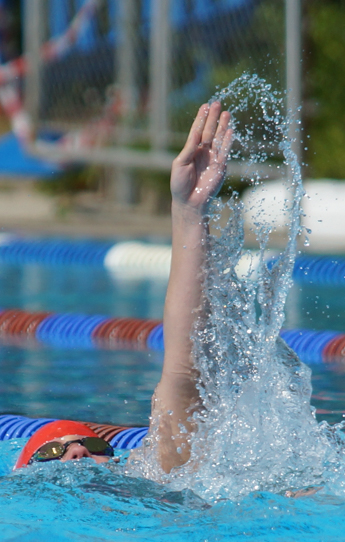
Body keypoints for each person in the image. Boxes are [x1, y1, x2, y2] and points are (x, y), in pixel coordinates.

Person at [18, 101, 234, 472]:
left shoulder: (149, 479)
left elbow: (183, 376)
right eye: (51, 453)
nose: (78, 451)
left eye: (93, 444)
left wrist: (189, 211)